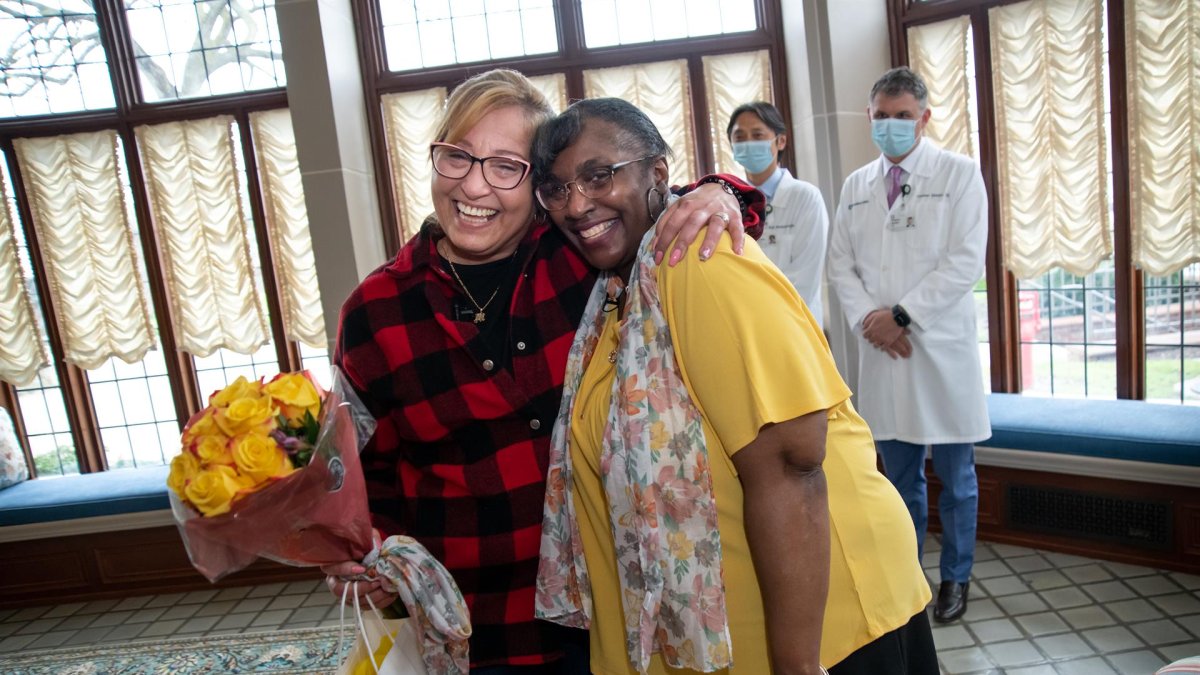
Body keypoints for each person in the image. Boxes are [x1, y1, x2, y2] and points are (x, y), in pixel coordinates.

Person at [326, 69, 761, 674]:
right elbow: (360, 479)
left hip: (618, 603)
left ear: (541, 187)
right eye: (458, 157)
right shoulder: (374, 313)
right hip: (480, 629)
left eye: (507, 166)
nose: (474, 186)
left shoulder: (582, 251)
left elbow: (665, 201)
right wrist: (366, 552)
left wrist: (719, 193)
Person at [531, 97, 935, 675]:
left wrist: (797, 665)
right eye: (556, 189)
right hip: (735, 633)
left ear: (659, 174)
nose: (577, 204)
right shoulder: (615, 297)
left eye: (599, 175)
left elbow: (793, 464)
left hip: (827, 633)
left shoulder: (695, 261)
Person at [825, 66, 991, 624]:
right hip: (882, 353)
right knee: (897, 482)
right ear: (869, 118)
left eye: (902, 116)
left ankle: (956, 579)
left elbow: (966, 260)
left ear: (924, 117)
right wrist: (869, 321)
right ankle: (909, 578)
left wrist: (901, 316)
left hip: (938, 349)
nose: (890, 126)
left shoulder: (960, 173)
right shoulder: (855, 186)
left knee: (957, 481)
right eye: (880, 117)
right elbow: (840, 264)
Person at [727, 101, 830, 327]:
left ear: (780, 141)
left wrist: (762, 315)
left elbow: (805, 278)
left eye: (757, 135)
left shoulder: (806, 198)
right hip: (746, 324)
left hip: (795, 324)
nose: (748, 143)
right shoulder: (729, 202)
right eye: (740, 137)